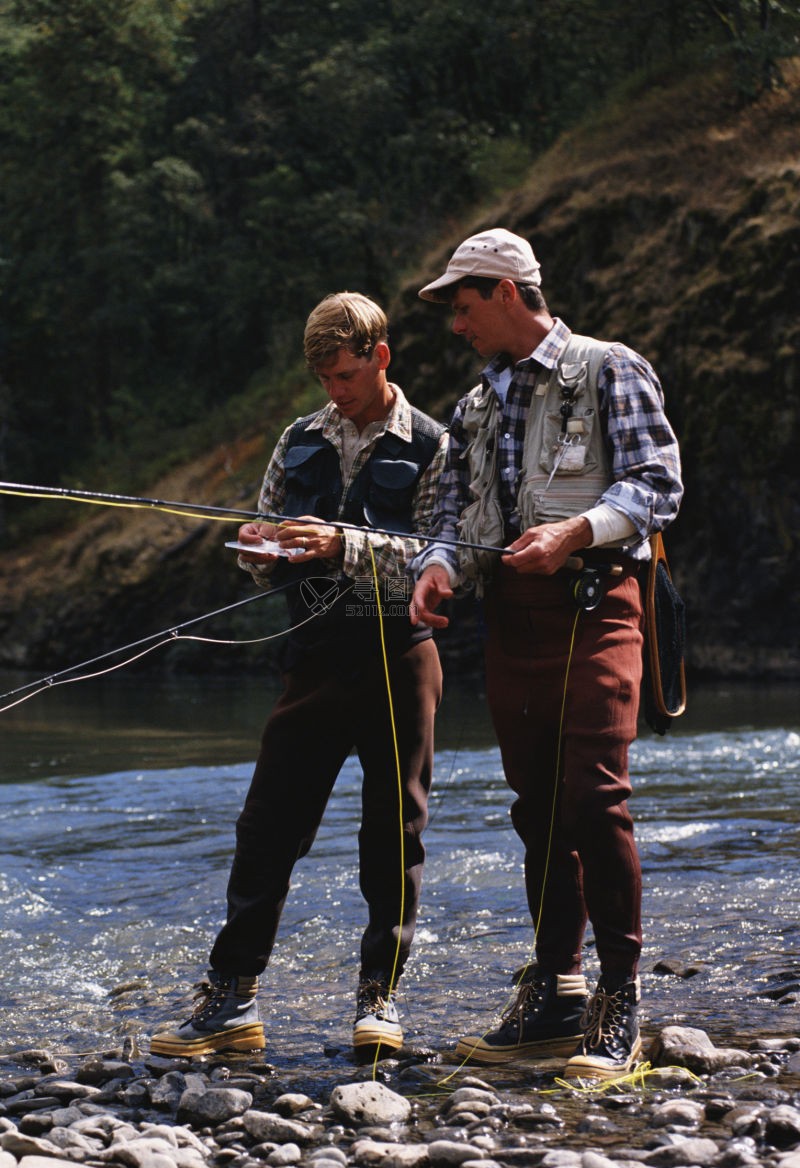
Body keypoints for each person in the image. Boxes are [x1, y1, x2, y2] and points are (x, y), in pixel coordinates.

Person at [410, 229, 683, 1078]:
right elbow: (450, 513)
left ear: (504, 291)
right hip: (513, 625)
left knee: (595, 799)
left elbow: (657, 483)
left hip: (598, 606)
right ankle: (557, 992)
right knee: (536, 809)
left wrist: (574, 531)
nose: (456, 326)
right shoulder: (475, 406)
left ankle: (619, 998)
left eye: (462, 307)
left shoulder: (611, 368)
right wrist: (436, 568)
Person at [151, 292, 447, 1058]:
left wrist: (342, 546)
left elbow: (440, 562)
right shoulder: (298, 438)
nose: (334, 393)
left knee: (393, 834)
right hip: (311, 654)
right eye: (323, 379)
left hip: (397, 656)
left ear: (380, 358)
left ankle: (378, 1000)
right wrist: (259, 549)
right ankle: (231, 998)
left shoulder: (435, 445)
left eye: (345, 376)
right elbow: (268, 543)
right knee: (266, 829)